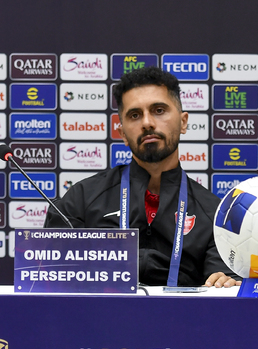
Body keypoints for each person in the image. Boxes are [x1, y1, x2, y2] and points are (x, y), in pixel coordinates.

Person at [45, 66, 240, 288]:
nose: (147, 123)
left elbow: (222, 287)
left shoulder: (216, 214)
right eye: (135, 115)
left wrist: (225, 283)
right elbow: (50, 280)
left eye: (159, 110)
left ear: (183, 122)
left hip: (181, 321)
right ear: (123, 135)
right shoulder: (81, 199)